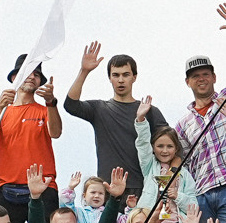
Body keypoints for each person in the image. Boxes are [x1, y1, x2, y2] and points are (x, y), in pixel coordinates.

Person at [171, 5, 226, 223]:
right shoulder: (182, 124)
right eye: (195, 76)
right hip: (201, 194)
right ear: (187, 82)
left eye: (206, 74)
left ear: (214, 77)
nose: (201, 79)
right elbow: (182, 164)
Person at [63, 42, 168, 187]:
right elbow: (70, 105)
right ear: (110, 78)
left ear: (134, 77)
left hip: (143, 189)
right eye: (115, 75)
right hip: (107, 189)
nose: (120, 80)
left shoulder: (149, 111)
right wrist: (84, 71)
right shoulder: (99, 109)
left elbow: (170, 147)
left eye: (126, 75)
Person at [0, 68, 62, 223]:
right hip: (6, 187)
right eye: (28, 72)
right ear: (14, 78)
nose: (32, 77)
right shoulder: (1, 111)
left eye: (37, 75)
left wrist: (51, 102)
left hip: (44, 186)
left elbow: (56, 132)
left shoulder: (45, 110)